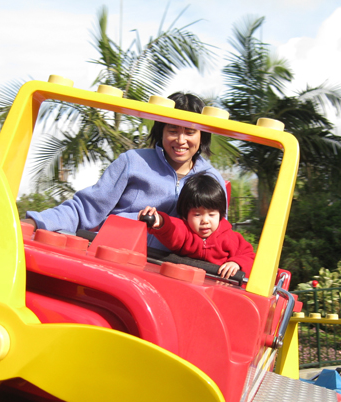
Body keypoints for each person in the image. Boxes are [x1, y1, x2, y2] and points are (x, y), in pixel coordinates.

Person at [22, 92, 227, 250]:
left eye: (190, 132)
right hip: (117, 255)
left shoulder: (212, 179)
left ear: (203, 136)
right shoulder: (134, 162)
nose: (181, 140)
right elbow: (86, 209)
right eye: (173, 130)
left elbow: (221, 236)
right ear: (160, 131)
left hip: (173, 268)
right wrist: (36, 222)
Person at [138, 172, 255, 279]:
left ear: (220, 215)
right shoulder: (186, 233)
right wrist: (159, 221)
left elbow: (249, 256)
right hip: (184, 282)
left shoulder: (230, 238)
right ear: (185, 216)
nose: (205, 220)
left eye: (211, 214)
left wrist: (237, 263)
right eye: (197, 214)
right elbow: (173, 229)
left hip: (219, 286)